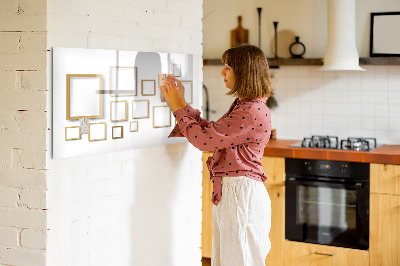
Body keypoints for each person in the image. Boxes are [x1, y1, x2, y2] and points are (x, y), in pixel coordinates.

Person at [161, 44, 273, 266]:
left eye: (228, 67)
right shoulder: (246, 106)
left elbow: (204, 141)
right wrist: (182, 104)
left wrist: (176, 108)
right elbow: (212, 133)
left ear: (244, 72)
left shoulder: (250, 111)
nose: (222, 72)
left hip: (241, 195)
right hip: (236, 193)